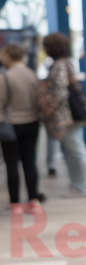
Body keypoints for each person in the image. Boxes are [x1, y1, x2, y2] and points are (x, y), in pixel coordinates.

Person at [40, 32, 86, 197]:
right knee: (71, 151)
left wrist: (44, 103)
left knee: (76, 150)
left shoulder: (60, 65)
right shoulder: (63, 63)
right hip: (67, 116)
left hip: (67, 117)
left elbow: (59, 92)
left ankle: (82, 187)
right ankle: (77, 185)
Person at [0, 42, 44, 215]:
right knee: (29, 162)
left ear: (8, 56)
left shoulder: (5, 77)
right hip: (32, 123)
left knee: (12, 165)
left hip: (11, 125)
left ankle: (15, 205)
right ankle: (34, 201)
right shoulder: (32, 75)